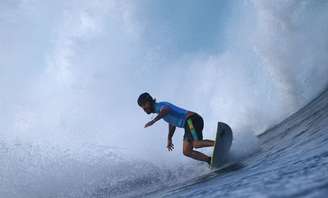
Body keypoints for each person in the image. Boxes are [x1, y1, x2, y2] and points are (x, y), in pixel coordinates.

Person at [137, 92, 215, 165]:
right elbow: (172, 123)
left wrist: (153, 121)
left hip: (192, 119)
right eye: (142, 106)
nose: (143, 108)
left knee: (196, 143)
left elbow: (166, 110)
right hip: (188, 124)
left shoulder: (160, 106)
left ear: (149, 102)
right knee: (186, 151)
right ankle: (210, 160)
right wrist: (169, 138)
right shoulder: (159, 110)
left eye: (144, 105)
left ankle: (218, 143)